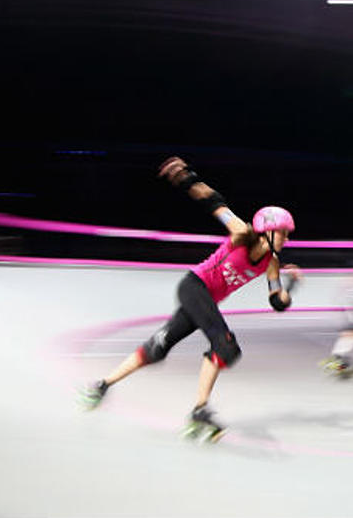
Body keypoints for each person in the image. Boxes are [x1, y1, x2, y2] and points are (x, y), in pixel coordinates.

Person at [77, 157, 300, 440]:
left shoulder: (271, 262)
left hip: (204, 301)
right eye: (283, 233)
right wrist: (186, 178)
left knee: (158, 348)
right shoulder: (241, 233)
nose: (287, 239)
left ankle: (101, 386)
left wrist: (290, 287)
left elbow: (277, 302)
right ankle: (199, 409)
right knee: (225, 347)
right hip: (195, 287)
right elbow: (214, 202)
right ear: (267, 230)